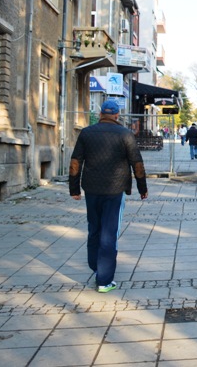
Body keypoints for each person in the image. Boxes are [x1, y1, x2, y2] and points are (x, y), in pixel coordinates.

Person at [69, 100, 148, 294]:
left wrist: (74, 188)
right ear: (117, 115)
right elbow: (137, 163)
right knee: (109, 232)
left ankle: (96, 266)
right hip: (115, 190)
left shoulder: (87, 133)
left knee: (94, 227)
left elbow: (75, 161)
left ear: (101, 113)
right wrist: (142, 187)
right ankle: (104, 280)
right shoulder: (125, 135)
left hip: (92, 190)